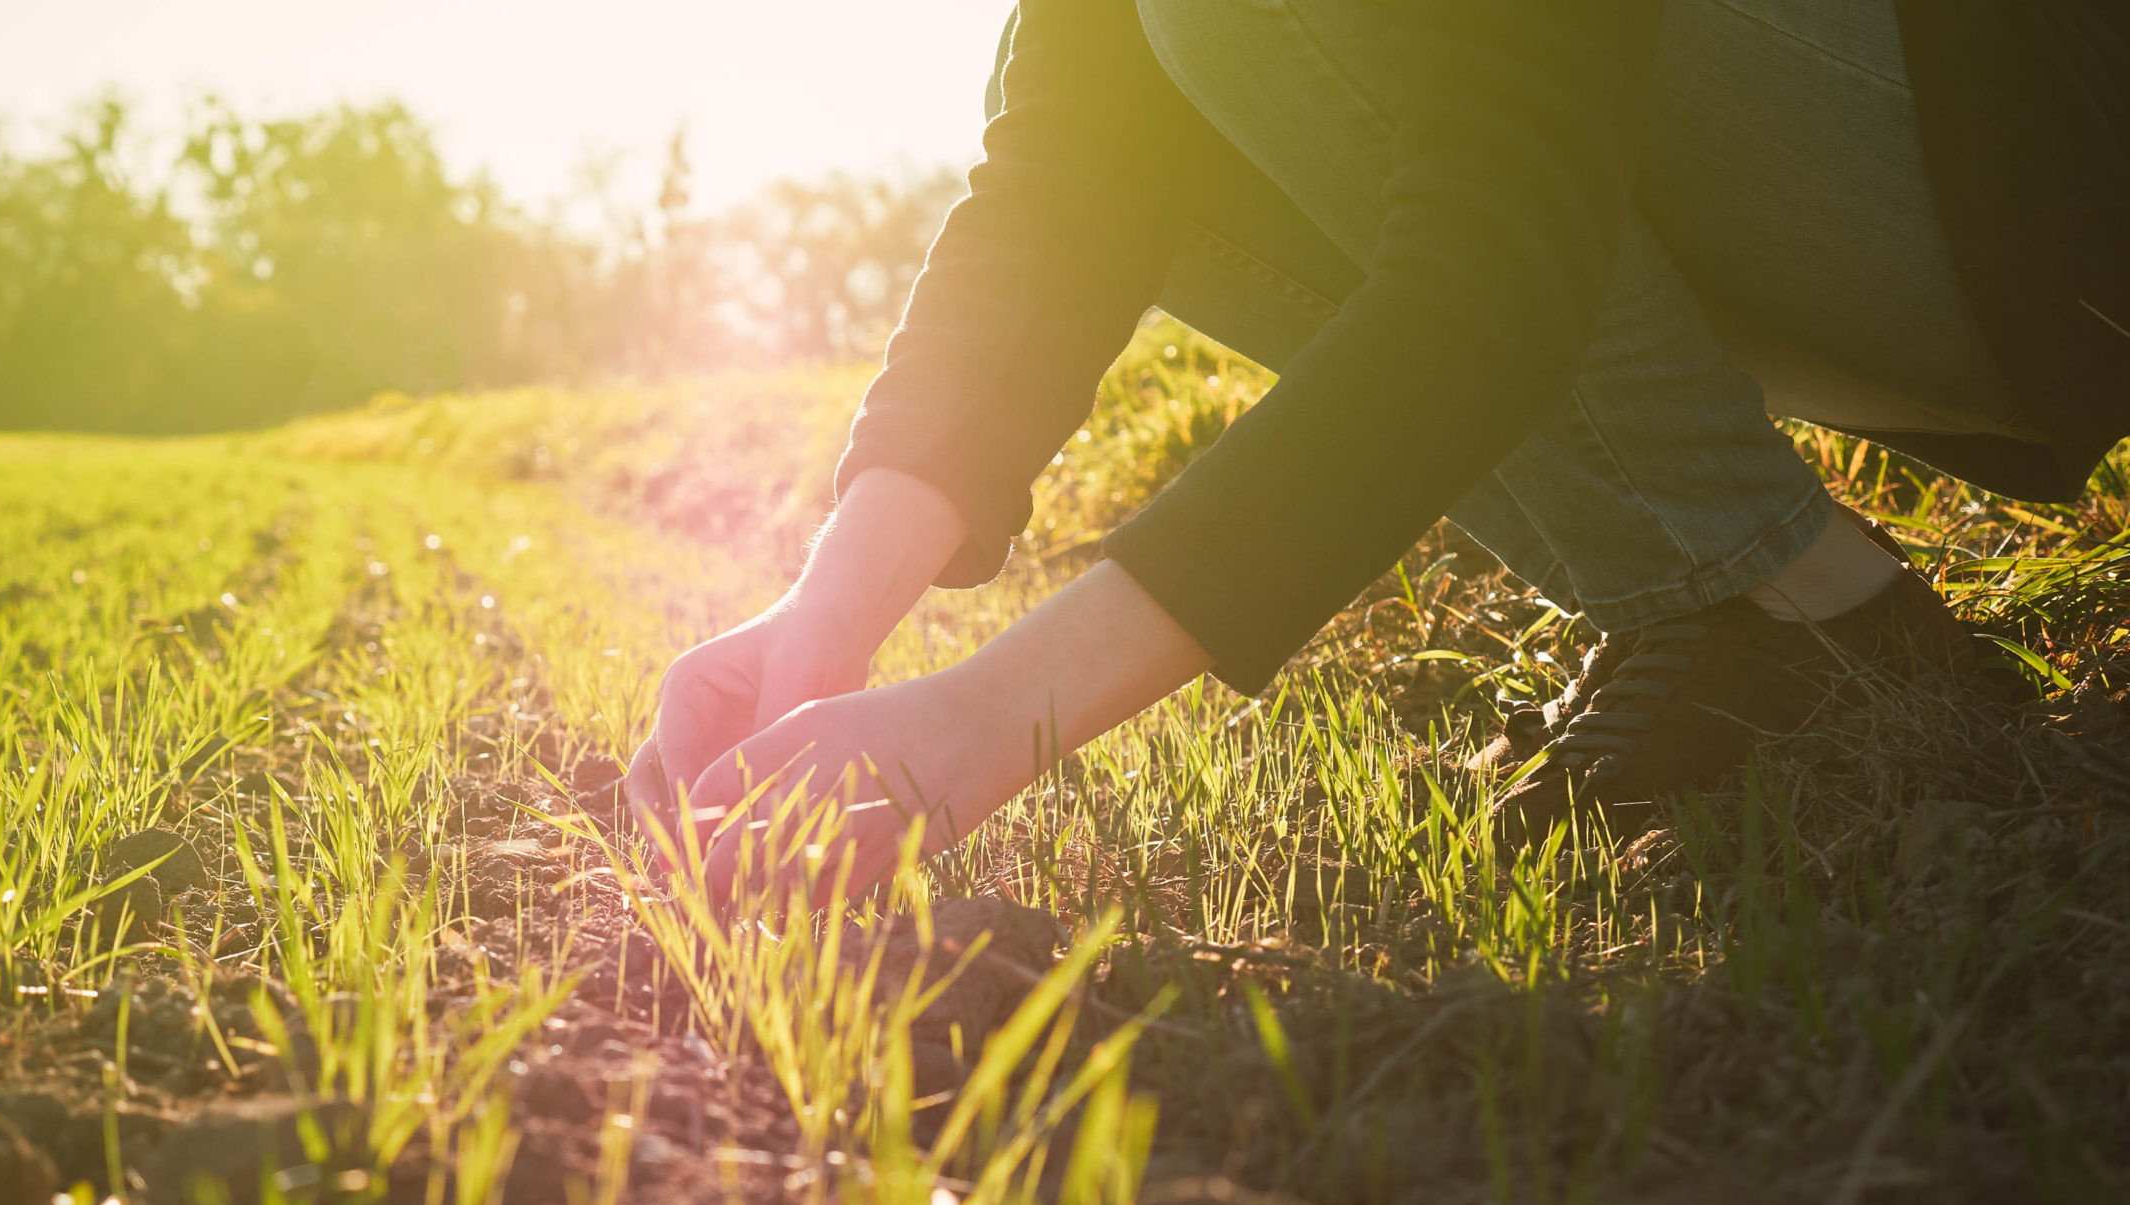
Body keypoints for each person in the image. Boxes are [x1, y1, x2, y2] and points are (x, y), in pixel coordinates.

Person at [626, 0, 2127, 895]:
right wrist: (818, 626)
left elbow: (1502, 261)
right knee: (1169, 119)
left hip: (2055, 183)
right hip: (1922, 221)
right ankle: (1786, 603)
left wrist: (982, 725)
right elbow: (1062, 178)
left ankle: (1787, 596)